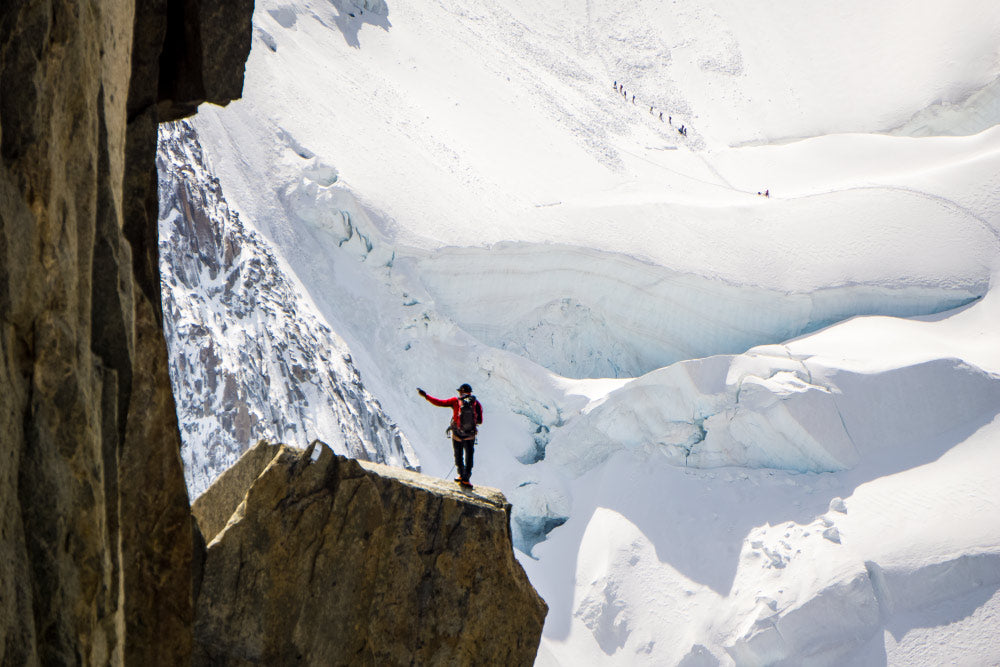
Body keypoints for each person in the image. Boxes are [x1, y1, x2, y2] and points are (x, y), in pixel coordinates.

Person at [418, 384, 483, 486]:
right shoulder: (476, 404)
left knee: (458, 455)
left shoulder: (455, 401)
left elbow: (439, 402)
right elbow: (480, 421)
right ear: (470, 392)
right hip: (470, 436)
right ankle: (466, 479)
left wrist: (426, 396)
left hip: (457, 434)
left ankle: (460, 474)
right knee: (469, 457)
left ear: (461, 392)